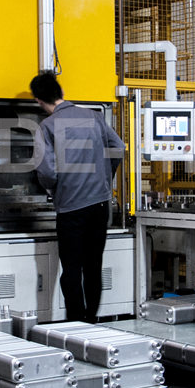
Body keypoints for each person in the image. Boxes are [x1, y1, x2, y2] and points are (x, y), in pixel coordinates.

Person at [30, 71, 125, 324]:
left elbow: (46, 171)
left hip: (71, 208)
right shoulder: (94, 117)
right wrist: (105, 177)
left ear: (39, 100)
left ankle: (76, 323)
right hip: (100, 205)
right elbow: (119, 147)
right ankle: (91, 320)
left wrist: (54, 188)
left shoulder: (47, 126)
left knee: (71, 268)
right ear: (61, 92)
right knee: (93, 266)